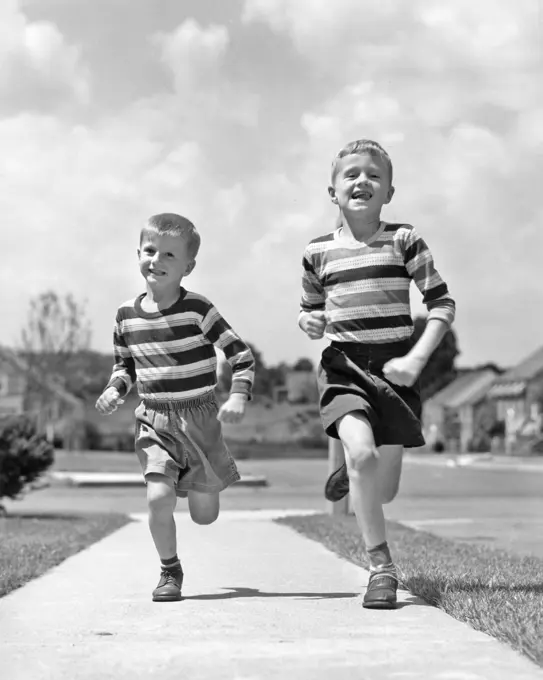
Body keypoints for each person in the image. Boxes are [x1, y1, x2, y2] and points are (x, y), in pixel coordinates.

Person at [298, 140, 455, 609]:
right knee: (364, 456)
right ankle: (380, 568)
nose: (361, 180)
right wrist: (308, 322)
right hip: (344, 366)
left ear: (388, 191)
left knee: (383, 490)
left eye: (373, 175)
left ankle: (357, 468)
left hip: (395, 370)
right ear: (333, 192)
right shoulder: (316, 252)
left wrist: (416, 360)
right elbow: (309, 312)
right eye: (351, 174)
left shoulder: (404, 240)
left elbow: (442, 304)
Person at [96, 213, 254, 602]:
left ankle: (206, 477)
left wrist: (237, 395)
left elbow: (241, 355)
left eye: (169, 254)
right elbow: (125, 365)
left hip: (199, 418)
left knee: (204, 516)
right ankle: (170, 570)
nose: (157, 260)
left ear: (189, 266)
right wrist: (115, 389)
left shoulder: (198, 310)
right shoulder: (125, 316)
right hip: (153, 419)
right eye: (150, 250)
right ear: (138, 254)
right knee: (158, 497)